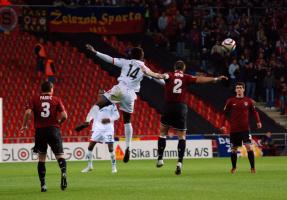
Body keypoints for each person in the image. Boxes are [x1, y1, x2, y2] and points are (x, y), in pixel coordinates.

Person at [83, 44, 166, 163]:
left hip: (120, 89)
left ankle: (88, 120)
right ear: (142, 57)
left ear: (131, 55)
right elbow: (158, 79)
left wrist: (95, 52)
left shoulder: (125, 62)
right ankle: (128, 147)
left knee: (99, 104)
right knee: (127, 121)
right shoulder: (144, 68)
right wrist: (168, 84)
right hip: (130, 95)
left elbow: (109, 59)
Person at [149, 60, 228, 175]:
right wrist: (215, 79)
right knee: (181, 136)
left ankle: (160, 159)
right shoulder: (186, 77)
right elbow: (201, 80)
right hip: (181, 107)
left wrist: (146, 72)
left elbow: (159, 76)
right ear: (183, 68)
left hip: (168, 106)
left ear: (174, 67)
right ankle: (179, 163)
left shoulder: (169, 75)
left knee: (163, 132)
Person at [20, 81, 68, 192]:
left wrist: (24, 126)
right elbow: (65, 115)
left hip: (40, 132)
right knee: (60, 155)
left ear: (41, 89)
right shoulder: (56, 99)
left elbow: (27, 113)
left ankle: (43, 185)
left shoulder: (34, 99)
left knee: (42, 158)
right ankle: (64, 172)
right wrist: (59, 123)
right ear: (51, 89)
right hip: (53, 130)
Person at [221, 82, 262, 174]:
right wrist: (222, 125)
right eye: (237, 88)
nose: (239, 89)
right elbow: (224, 114)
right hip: (234, 130)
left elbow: (255, 112)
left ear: (243, 89)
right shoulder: (230, 101)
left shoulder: (248, 101)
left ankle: (252, 168)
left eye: (240, 87)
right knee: (233, 149)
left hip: (245, 130)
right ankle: (234, 167)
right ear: (235, 90)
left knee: (248, 147)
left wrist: (258, 121)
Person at [78, 90, 120, 173]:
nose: (101, 97)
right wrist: (87, 121)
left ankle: (114, 167)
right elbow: (90, 116)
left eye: (103, 95)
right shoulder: (96, 106)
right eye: (100, 95)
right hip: (97, 130)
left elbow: (117, 116)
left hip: (108, 129)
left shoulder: (112, 105)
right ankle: (89, 166)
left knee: (110, 149)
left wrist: (109, 119)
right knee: (90, 147)